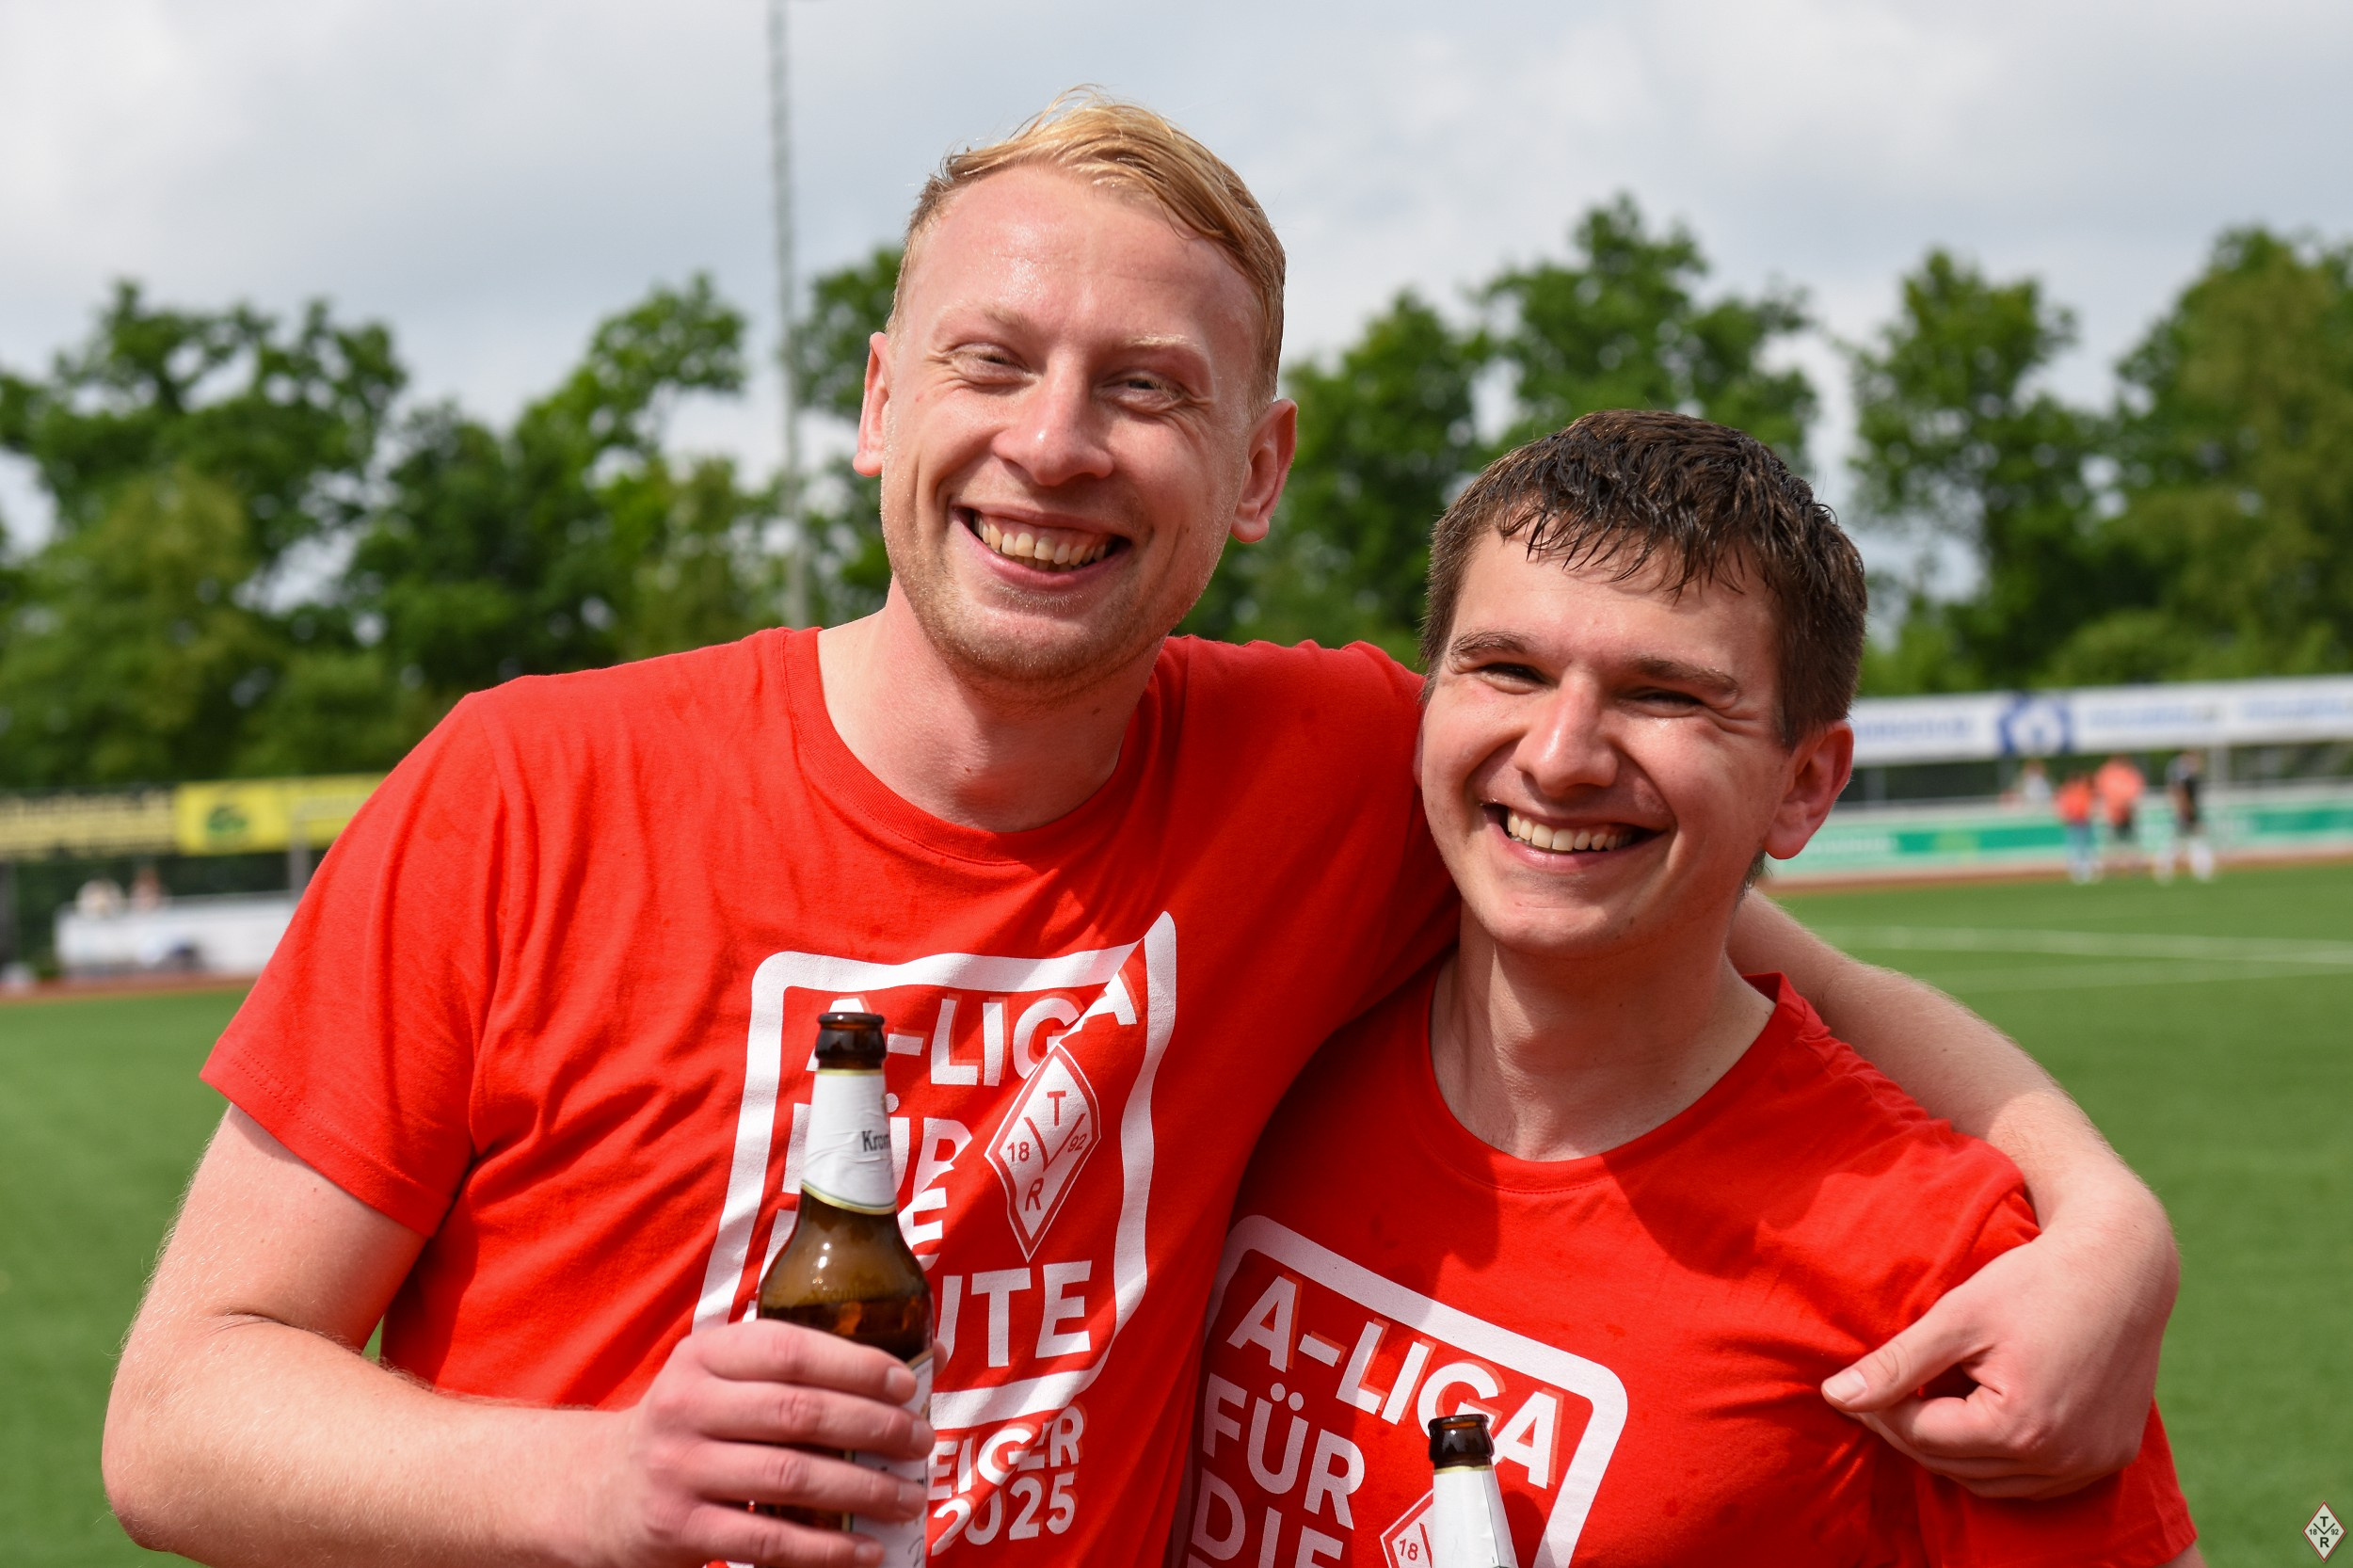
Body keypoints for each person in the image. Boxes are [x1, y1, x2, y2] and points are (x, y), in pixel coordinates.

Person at [104, 95, 2181, 1568]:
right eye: (992, 361)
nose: (1054, 442)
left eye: (1147, 389)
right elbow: (179, 1409)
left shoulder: (1346, 762)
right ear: (878, 400)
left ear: (1256, 468)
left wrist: (2097, 1220)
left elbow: (1754, 953)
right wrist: (584, 1483)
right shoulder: (525, 786)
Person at [1188, 413, 2200, 1566]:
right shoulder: (1270, 1032)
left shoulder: (1951, 1272)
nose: (1560, 755)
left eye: (1664, 694)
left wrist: (2111, 1217)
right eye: (1508, 668)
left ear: (1804, 784)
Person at [2157, 752, 2216, 884]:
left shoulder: (2189, 777)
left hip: (2186, 814)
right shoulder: (2186, 778)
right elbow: (2181, 795)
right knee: (2186, 843)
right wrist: (2187, 813)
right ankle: (2200, 870)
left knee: (2183, 843)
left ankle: (2200, 870)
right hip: (2187, 815)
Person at [2095, 754, 2147, 875]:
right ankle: (2111, 867)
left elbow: (2136, 790)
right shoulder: (2107, 772)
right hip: (2112, 813)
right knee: (2111, 842)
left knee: (2132, 842)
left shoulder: (2131, 772)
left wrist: (2127, 804)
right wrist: (2116, 804)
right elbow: (2102, 791)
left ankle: (2135, 866)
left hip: (2128, 812)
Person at [2057, 771, 2099, 884]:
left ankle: (2086, 870)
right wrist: (2065, 816)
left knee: (2085, 847)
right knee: (2076, 848)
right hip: (2073, 821)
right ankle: (2077, 871)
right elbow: (2063, 805)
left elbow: (2089, 803)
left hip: (2083, 820)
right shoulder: (2068, 791)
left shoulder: (2082, 790)